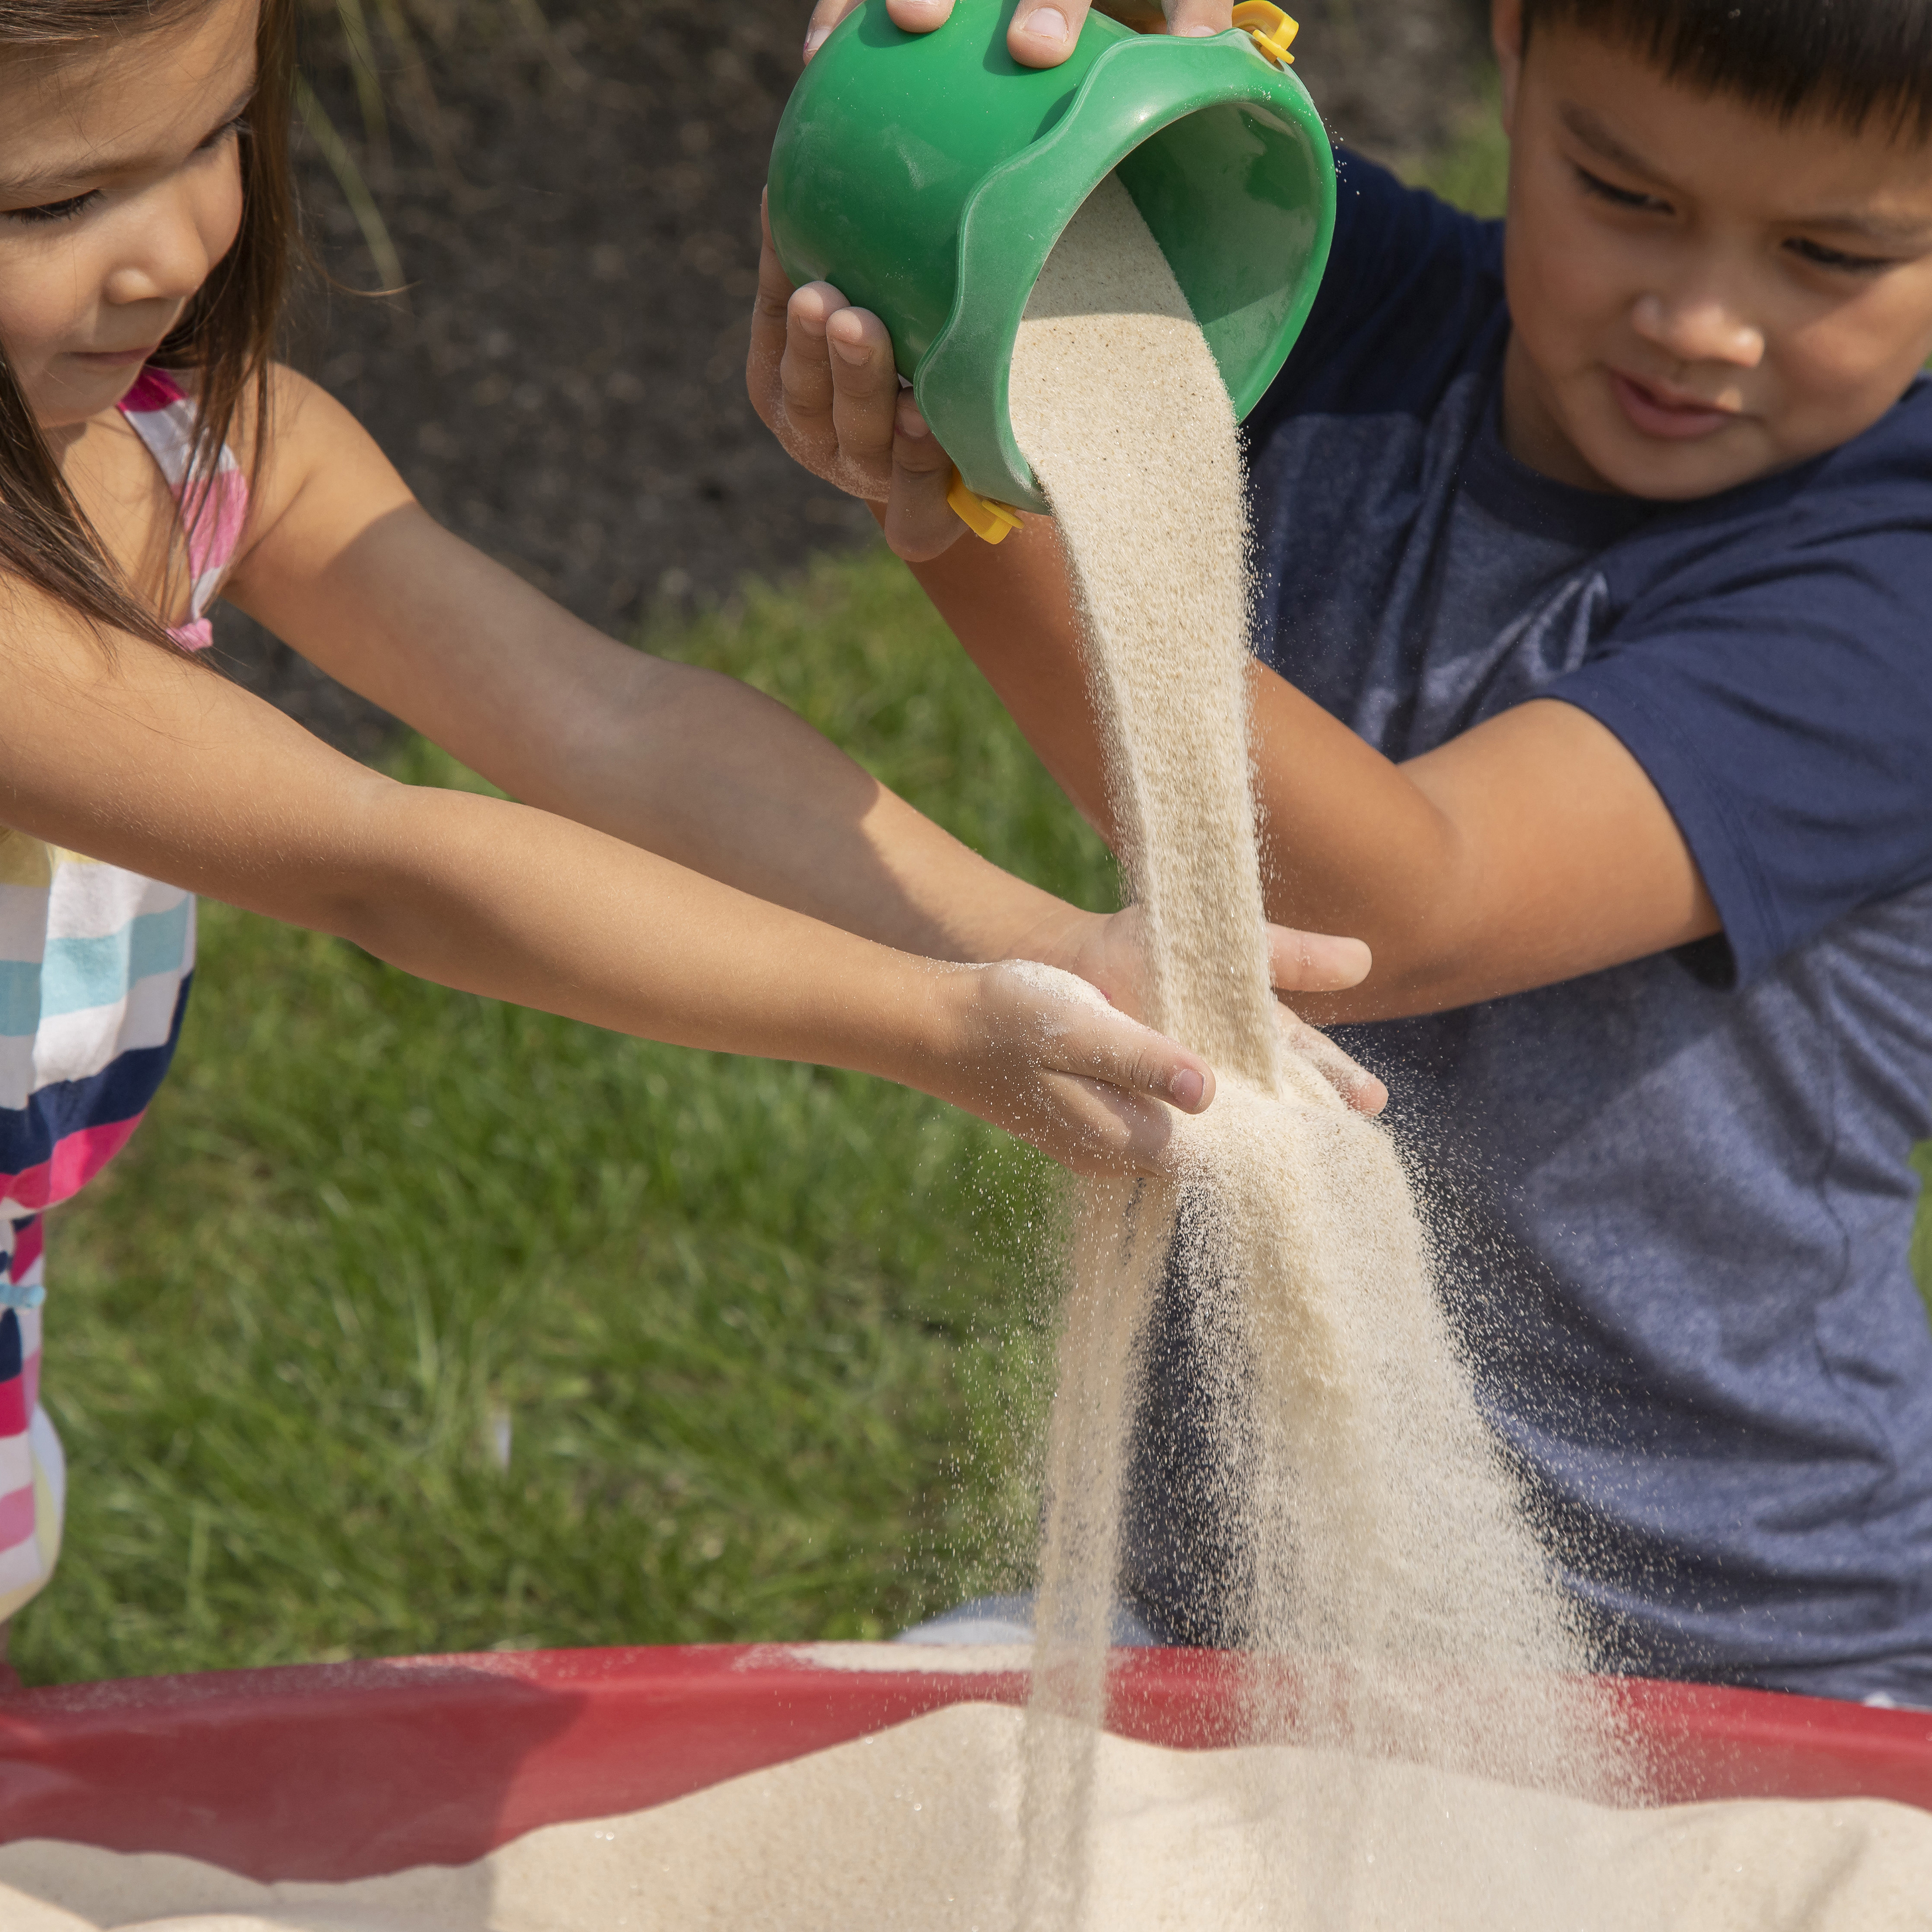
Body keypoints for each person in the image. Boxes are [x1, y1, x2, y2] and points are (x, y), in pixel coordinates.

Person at [0, 0, 1383, 1657]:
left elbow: (609, 722)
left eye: (210, 136)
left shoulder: (204, 443)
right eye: (54, 203)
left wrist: (1049, 947)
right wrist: (935, 1026)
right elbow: (382, 859)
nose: (167, 252)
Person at [757, 0, 1932, 1706]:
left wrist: (948, 505)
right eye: (1623, 193)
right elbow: (906, 222)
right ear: (1511, 49)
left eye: (1828, 255)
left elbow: (1396, 903)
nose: (1699, 320)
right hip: (1220, 1587)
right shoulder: (1317, 282)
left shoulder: (1894, 585)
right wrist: (951, 98)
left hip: (1729, 1657)